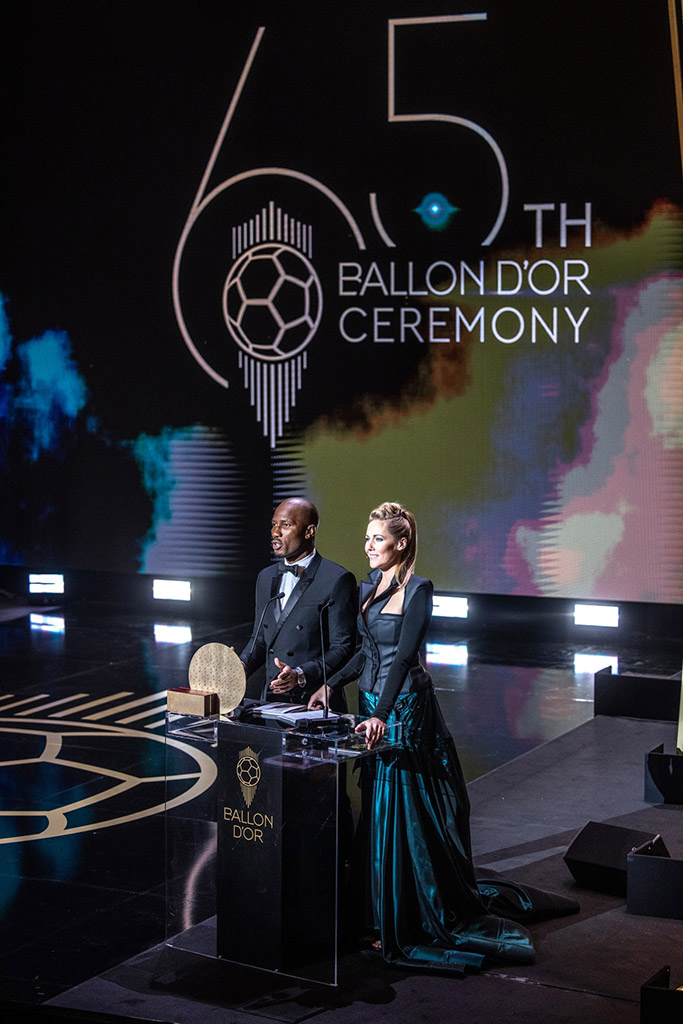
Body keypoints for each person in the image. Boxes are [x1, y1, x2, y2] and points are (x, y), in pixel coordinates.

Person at [308, 501, 577, 973]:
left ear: (402, 543)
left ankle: (410, 913)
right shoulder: (370, 588)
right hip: (371, 707)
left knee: (404, 810)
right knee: (377, 807)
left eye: (377, 538)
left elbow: (402, 657)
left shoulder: (419, 590)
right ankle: (376, 912)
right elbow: (367, 654)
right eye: (367, 538)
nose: (368, 546)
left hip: (404, 711)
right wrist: (330, 684)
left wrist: (382, 714)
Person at [240, 497, 357, 710]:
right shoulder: (265, 577)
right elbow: (260, 639)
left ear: (309, 531)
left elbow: (343, 647)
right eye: (274, 524)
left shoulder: (336, 579)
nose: (275, 532)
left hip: (314, 702)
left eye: (286, 525)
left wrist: (301, 674)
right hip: (271, 701)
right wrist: (240, 665)